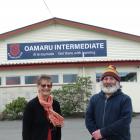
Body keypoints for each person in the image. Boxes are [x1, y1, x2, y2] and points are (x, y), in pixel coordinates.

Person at [85, 65, 132, 140]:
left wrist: (102, 133)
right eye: (105, 79)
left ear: (117, 82)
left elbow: (125, 121)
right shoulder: (94, 99)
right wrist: (96, 133)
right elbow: (88, 118)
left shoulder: (125, 99)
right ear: (102, 81)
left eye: (111, 79)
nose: (108, 81)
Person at [22, 74, 64, 140]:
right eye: (43, 85)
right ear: (38, 86)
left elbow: (58, 128)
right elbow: (26, 131)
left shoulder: (56, 104)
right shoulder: (31, 105)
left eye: (49, 85)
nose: (46, 87)